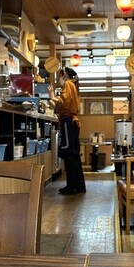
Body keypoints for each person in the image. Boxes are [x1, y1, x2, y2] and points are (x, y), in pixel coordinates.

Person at [48, 67, 86, 195]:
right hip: (72, 122)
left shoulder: (68, 84)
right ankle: (78, 185)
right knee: (73, 155)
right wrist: (54, 98)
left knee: (69, 154)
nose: (59, 79)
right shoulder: (72, 85)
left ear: (64, 75)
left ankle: (73, 186)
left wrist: (52, 96)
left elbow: (64, 103)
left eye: (59, 76)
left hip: (68, 122)